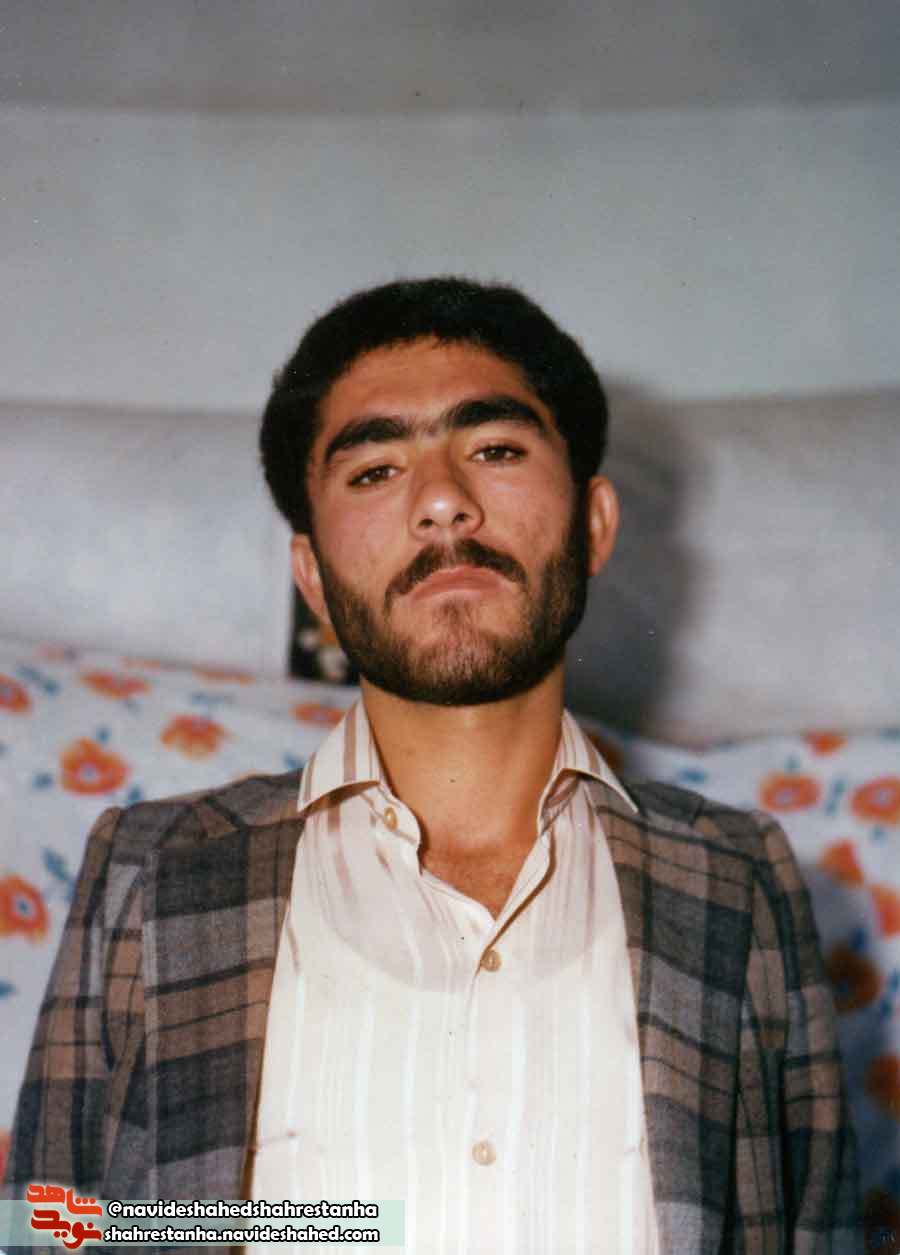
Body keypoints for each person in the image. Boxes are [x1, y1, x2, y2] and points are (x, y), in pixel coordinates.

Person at [5, 278, 860, 1252]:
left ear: (594, 522)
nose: (443, 501)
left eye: (494, 449)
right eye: (374, 470)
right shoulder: (153, 870)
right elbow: (54, 1233)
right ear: (312, 575)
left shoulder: (737, 880)